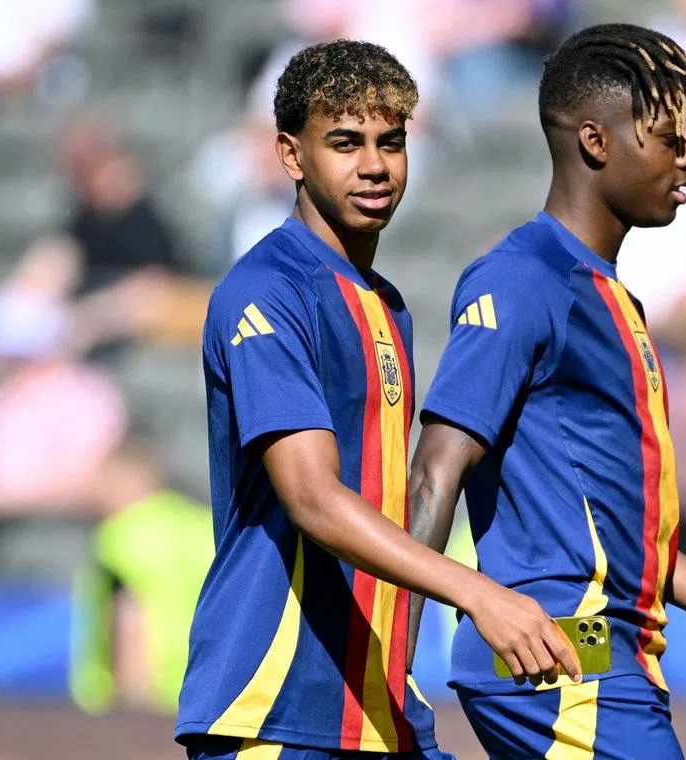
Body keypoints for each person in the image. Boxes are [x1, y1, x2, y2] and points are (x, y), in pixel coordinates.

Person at [407, 24, 686, 757]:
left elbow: (618, 531)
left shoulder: (613, 301)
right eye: (667, 137)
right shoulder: (523, 278)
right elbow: (434, 471)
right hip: (565, 652)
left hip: (601, 647)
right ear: (597, 141)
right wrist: (392, 663)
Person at [175, 40, 581, 760]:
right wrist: (479, 594)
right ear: (290, 155)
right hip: (275, 708)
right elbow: (313, 497)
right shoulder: (267, 290)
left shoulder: (383, 304)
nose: (374, 165)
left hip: (376, 708)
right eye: (345, 142)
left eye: (390, 142)